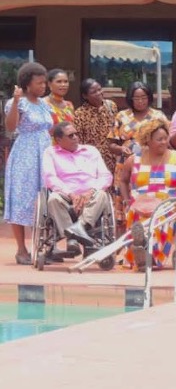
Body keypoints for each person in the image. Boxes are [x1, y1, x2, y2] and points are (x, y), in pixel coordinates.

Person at [118, 119, 176, 269]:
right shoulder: (133, 160)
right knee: (135, 216)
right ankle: (141, 247)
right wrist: (127, 201)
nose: (164, 142)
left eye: (166, 138)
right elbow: (123, 180)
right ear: (148, 140)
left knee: (160, 217)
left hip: (168, 204)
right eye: (159, 139)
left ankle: (149, 255)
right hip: (140, 203)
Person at [41, 122, 113, 258]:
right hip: (65, 194)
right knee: (53, 199)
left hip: (90, 195)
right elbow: (50, 177)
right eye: (70, 135)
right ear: (59, 140)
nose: (76, 137)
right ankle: (72, 239)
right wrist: (71, 194)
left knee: (102, 195)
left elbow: (105, 175)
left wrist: (91, 191)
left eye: (76, 134)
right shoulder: (50, 153)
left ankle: (79, 228)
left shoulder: (91, 151)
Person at [4, 62, 53, 264]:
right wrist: (15, 102)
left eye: (44, 83)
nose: (43, 86)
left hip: (45, 152)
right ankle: (21, 249)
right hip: (25, 154)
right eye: (39, 83)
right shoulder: (18, 103)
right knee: (22, 198)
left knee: (43, 199)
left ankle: (40, 248)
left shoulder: (43, 103)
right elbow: (10, 127)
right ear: (27, 83)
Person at [107, 82, 169, 223]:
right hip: (125, 164)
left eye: (143, 97)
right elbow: (110, 144)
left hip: (151, 165)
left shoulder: (158, 116)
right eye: (136, 98)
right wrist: (121, 149)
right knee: (124, 205)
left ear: (149, 98)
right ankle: (124, 241)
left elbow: (167, 141)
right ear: (130, 99)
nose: (140, 101)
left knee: (149, 202)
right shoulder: (122, 116)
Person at [73, 78, 117, 174]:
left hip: (113, 157)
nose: (98, 93)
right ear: (85, 96)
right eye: (93, 92)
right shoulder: (80, 114)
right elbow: (79, 140)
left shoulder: (111, 106)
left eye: (99, 89)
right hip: (93, 160)